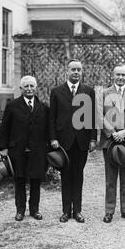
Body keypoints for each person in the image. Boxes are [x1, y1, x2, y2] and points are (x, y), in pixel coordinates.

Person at [49, 59, 96, 223]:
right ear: (67, 71)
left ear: (82, 72)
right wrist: (53, 138)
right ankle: (65, 211)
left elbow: (91, 117)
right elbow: (52, 118)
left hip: (82, 141)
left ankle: (77, 211)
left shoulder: (89, 92)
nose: (76, 72)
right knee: (66, 176)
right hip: (63, 142)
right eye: (73, 69)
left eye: (79, 70)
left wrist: (92, 138)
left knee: (78, 176)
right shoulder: (56, 92)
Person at [0, 75, 49, 221]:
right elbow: (4, 128)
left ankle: (35, 210)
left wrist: (50, 146)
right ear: (21, 89)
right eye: (26, 86)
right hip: (17, 150)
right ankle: (20, 210)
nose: (29, 89)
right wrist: (3, 147)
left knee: (35, 181)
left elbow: (48, 129)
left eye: (32, 86)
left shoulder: (44, 108)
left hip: (37, 150)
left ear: (36, 88)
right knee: (19, 180)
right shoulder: (12, 106)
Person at [98, 63, 125, 223]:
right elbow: (99, 115)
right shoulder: (103, 93)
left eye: (123, 75)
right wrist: (112, 132)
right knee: (110, 179)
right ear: (113, 75)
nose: (120, 77)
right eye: (118, 74)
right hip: (109, 142)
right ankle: (109, 211)